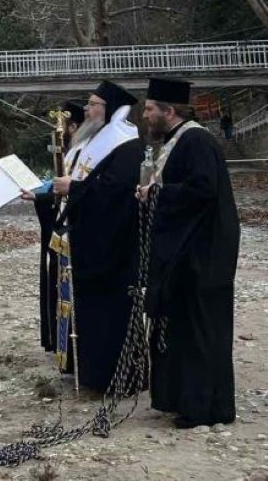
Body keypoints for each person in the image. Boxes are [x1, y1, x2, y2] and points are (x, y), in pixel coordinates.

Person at [138, 77, 241, 428]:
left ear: (169, 111)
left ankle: (205, 408)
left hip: (203, 257)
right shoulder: (178, 141)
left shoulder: (195, 140)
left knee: (201, 332)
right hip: (190, 255)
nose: (145, 116)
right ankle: (185, 401)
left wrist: (157, 194)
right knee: (184, 330)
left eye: (150, 109)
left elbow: (202, 189)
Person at [50, 80, 145, 391]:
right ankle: (93, 374)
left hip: (113, 244)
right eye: (89, 104)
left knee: (112, 311)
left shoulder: (126, 142)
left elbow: (115, 192)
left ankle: (117, 378)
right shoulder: (94, 139)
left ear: (111, 110)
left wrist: (73, 188)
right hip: (91, 239)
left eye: (94, 105)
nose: (88, 110)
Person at [27, 100, 85, 353]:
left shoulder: (87, 152)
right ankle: (57, 339)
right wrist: (41, 195)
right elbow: (58, 186)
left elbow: (77, 190)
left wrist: (41, 197)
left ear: (74, 126)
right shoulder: (74, 150)